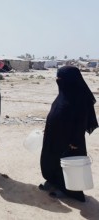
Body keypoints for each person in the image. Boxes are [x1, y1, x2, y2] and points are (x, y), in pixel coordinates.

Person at [39, 66, 98, 202]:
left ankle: (68, 191)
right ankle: (52, 181)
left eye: (60, 78)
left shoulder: (80, 99)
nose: (57, 80)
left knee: (67, 165)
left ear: (70, 80)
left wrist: (75, 142)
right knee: (50, 160)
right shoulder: (63, 94)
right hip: (53, 136)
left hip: (70, 141)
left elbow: (81, 123)